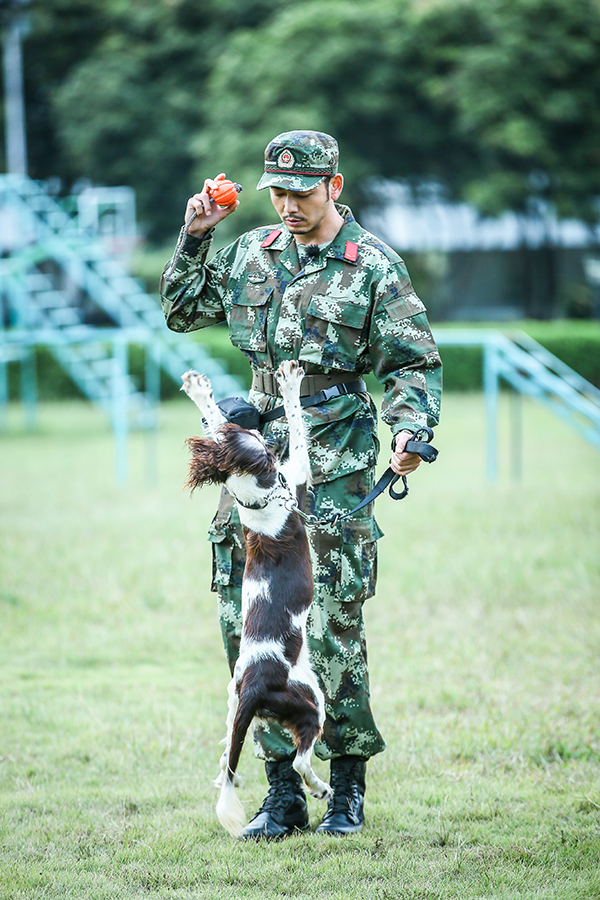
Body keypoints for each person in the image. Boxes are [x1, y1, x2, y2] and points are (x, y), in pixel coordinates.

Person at [160, 130, 442, 839]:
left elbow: (412, 362)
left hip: (335, 461)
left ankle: (345, 791)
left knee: (332, 624)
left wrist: (410, 429)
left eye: (302, 192)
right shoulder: (251, 252)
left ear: (333, 187)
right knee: (250, 624)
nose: (288, 205)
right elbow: (182, 311)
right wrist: (196, 235)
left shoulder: (371, 265)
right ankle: (281, 793)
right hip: (256, 465)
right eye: (277, 192)